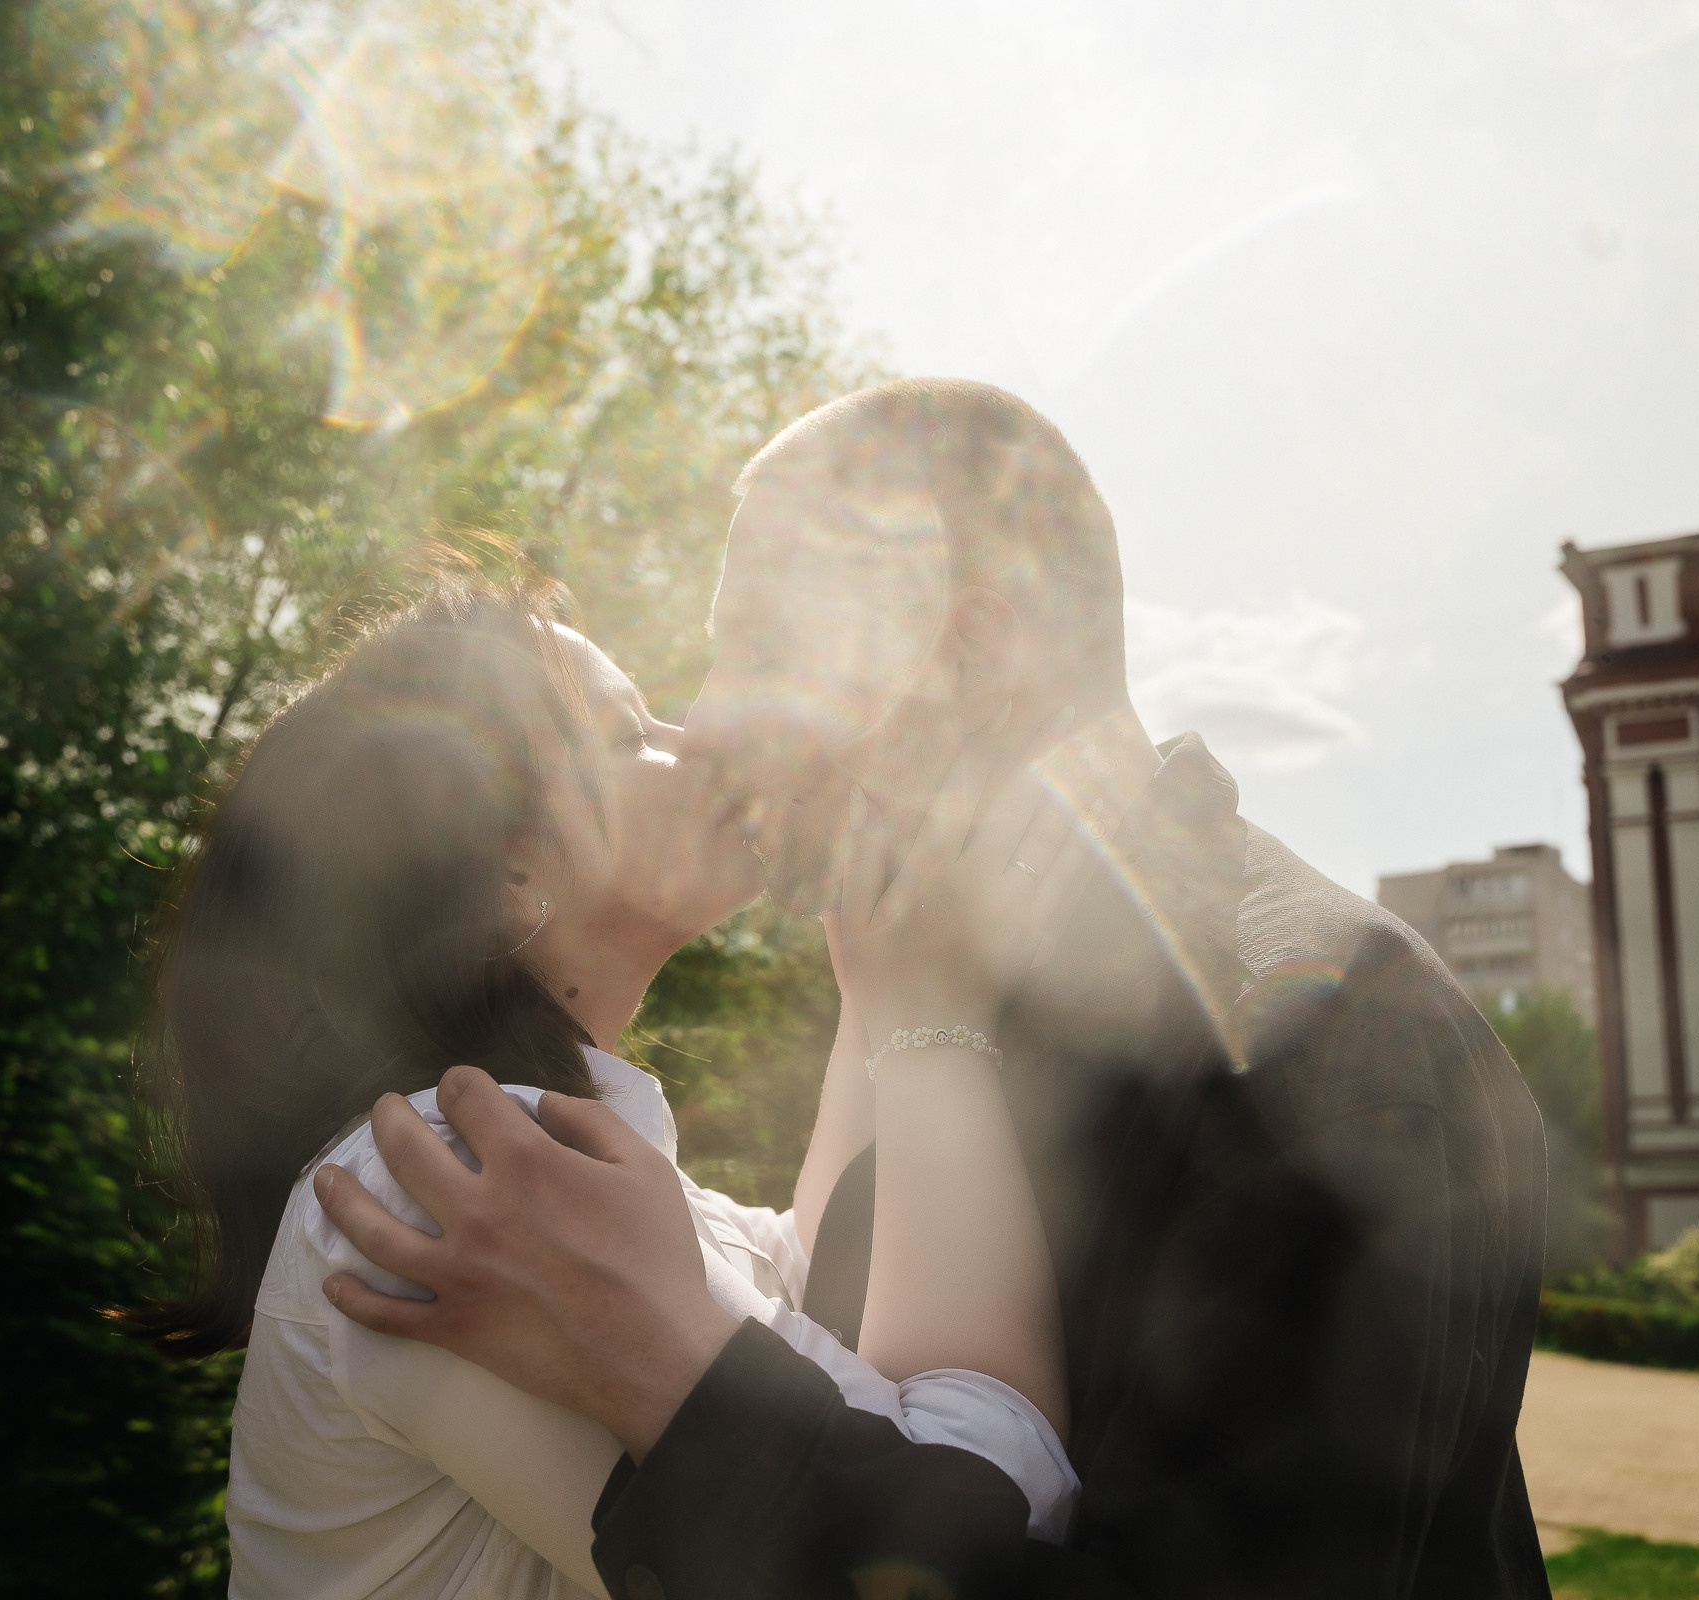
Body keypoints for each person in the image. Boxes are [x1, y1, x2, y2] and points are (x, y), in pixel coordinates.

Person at [321, 381, 1556, 1599]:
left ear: (960, 654)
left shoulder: (1320, 1046)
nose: (709, 725)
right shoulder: (945, 1041)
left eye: (755, 646)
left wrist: (661, 1384)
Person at [126, 571, 1091, 1597]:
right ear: (507, 876)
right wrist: (929, 1015)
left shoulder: (566, 1170)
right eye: (631, 736)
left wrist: (869, 941)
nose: (700, 740)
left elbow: (826, 1288)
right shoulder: (448, 1187)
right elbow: (977, 1501)